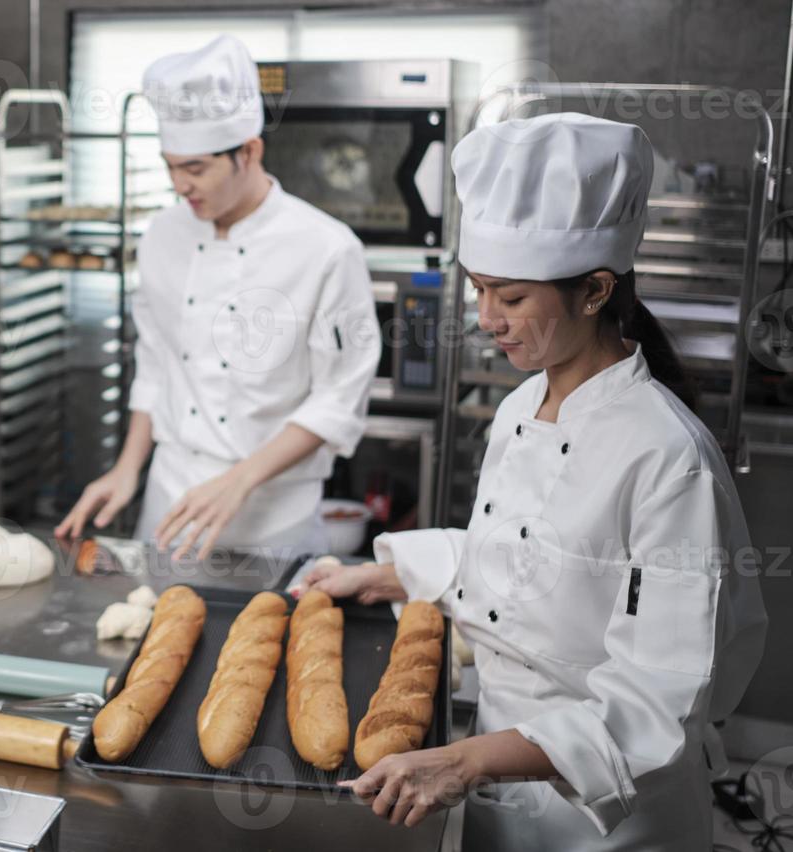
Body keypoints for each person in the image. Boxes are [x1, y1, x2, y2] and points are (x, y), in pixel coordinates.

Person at [303, 113, 767, 850]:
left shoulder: (668, 458)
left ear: (595, 291)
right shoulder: (524, 403)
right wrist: (390, 575)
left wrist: (464, 761)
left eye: (511, 297)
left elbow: (656, 702)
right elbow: (521, 561)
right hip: (499, 784)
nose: (487, 319)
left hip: (610, 817)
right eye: (479, 290)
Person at [57, 35, 380, 560]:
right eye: (170, 166)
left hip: (274, 517)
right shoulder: (162, 235)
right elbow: (156, 363)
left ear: (249, 151)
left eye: (196, 168)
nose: (179, 186)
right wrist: (127, 469)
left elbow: (338, 398)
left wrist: (240, 479)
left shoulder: (326, 248)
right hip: (170, 500)